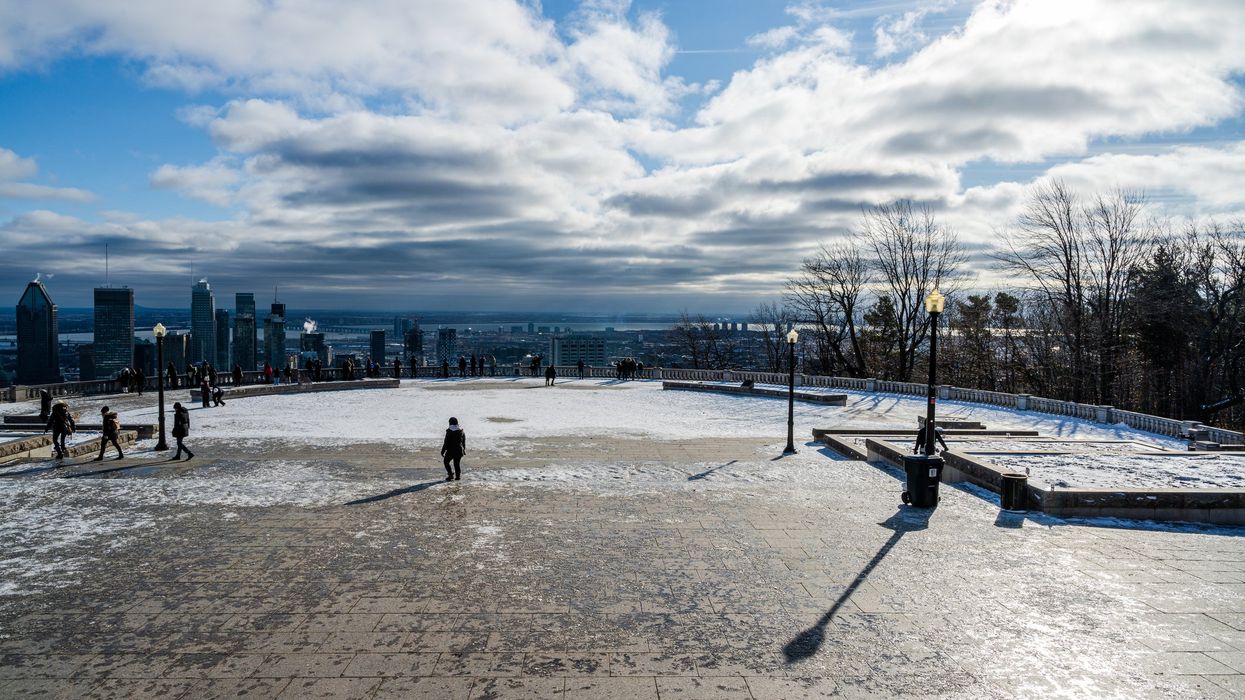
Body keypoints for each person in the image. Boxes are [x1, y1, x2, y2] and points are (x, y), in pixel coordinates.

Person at [440, 417, 465, 481]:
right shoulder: (461, 431)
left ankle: (450, 475)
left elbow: (446, 442)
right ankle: (458, 477)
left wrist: (443, 451)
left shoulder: (449, 431)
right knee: (456, 464)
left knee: (446, 462)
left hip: (451, 450)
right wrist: (463, 449)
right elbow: (463, 442)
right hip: (459, 450)